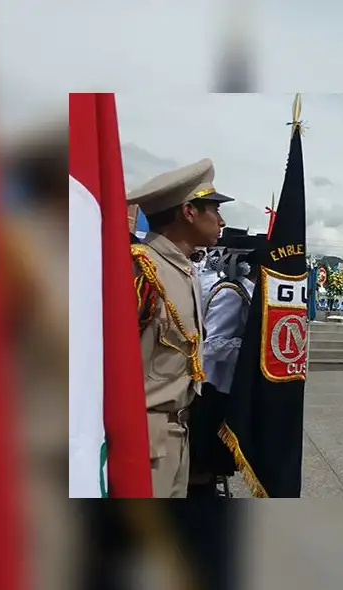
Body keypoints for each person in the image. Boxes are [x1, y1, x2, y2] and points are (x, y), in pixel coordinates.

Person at [128, 158, 233, 498]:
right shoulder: (142, 268)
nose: (221, 220)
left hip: (178, 434)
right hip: (142, 438)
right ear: (189, 212)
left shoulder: (184, 271)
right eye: (213, 210)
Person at [188, 252, 258, 498]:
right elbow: (213, 344)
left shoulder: (247, 291)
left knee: (216, 463)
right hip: (214, 387)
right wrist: (252, 349)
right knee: (205, 463)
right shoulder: (231, 292)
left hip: (227, 386)